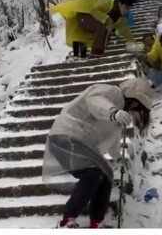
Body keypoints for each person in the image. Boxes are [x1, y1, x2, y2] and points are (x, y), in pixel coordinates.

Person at [42, 78, 154, 228]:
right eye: (136, 105)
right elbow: (94, 100)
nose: (135, 109)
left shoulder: (118, 119)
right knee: (92, 173)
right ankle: (67, 220)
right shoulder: (111, 92)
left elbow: (112, 143)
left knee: (105, 175)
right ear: (132, 97)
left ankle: (96, 221)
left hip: (82, 144)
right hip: (66, 135)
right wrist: (113, 112)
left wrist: (118, 158)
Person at [52, 0, 143, 58]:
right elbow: (93, 10)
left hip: (95, 21)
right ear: (120, 4)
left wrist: (135, 44)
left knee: (104, 37)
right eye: (126, 7)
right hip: (84, 15)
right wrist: (106, 18)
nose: (126, 11)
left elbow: (126, 32)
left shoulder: (120, 19)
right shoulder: (107, 4)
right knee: (102, 28)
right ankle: (95, 54)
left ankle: (82, 53)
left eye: (128, 9)